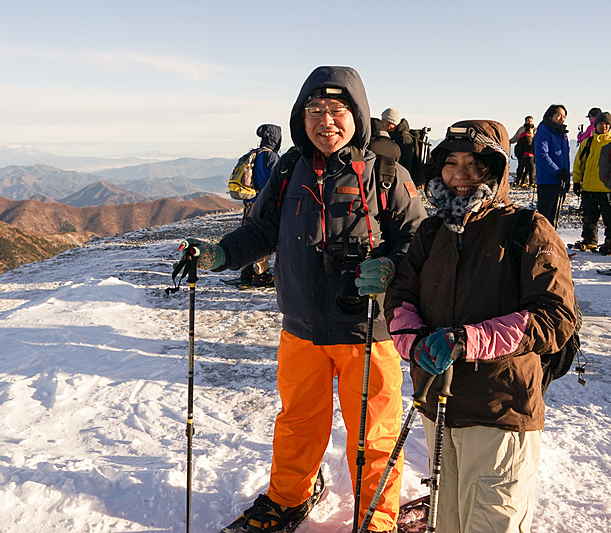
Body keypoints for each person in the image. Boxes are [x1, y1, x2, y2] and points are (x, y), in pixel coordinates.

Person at [179, 65, 427, 533]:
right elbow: (261, 230)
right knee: (298, 423)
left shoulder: (389, 174)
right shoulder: (291, 168)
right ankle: (288, 496)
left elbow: (418, 237)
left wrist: (393, 267)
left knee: (373, 433)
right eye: (315, 110)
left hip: (368, 330)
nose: (325, 120)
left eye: (337, 110)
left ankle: (377, 517)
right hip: (302, 328)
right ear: (300, 116)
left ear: (358, 115)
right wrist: (220, 254)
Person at [384, 119, 576, 533]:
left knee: (492, 524)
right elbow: (400, 298)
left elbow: (554, 316)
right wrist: (415, 344)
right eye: (451, 164)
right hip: (438, 403)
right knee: (449, 522)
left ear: (497, 169)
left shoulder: (528, 228)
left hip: (500, 409)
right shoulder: (432, 230)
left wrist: (468, 340)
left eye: (476, 165)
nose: (461, 176)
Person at [239, 124, 282, 286]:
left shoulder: (253, 154)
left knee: (247, 236)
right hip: (263, 204)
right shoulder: (271, 157)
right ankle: (260, 274)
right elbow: (277, 180)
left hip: (248, 203)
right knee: (261, 239)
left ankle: (246, 272)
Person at [571, 112, 611, 253]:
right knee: (589, 218)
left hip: (609, 189)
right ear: (596, 125)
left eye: (607, 124)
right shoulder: (588, 142)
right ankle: (590, 241)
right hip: (589, 188)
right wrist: (577, 181)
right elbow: (579, 163)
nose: (604, 126)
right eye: (601, 123)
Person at [533, 104, 570, 226]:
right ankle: (541, 240)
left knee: (554, 215)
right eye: (558, 115)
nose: (561, 119)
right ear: (550, 116)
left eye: (564, 116)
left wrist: (567, 176)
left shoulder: (562, 134)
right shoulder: (544, 131)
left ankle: (551, 240)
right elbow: (542, 155)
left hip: (560, 181)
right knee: (545, 215)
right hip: (547, 180)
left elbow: (565, 157)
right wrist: (557, 172)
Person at [381, 107, 416, 174]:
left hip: (404, 175)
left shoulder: (404, 137)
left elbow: (406, 161)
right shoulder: (393, 135)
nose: (382, 123)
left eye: (383, 121)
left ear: (391, 122)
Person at [514, 123, 536, 187]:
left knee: (526, 169)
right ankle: (532, 183)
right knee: (532, 169)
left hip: (523, 155)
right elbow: (529, 147)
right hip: (529, 155)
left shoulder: (522, 136)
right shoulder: (527, 137)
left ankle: (522, 182)